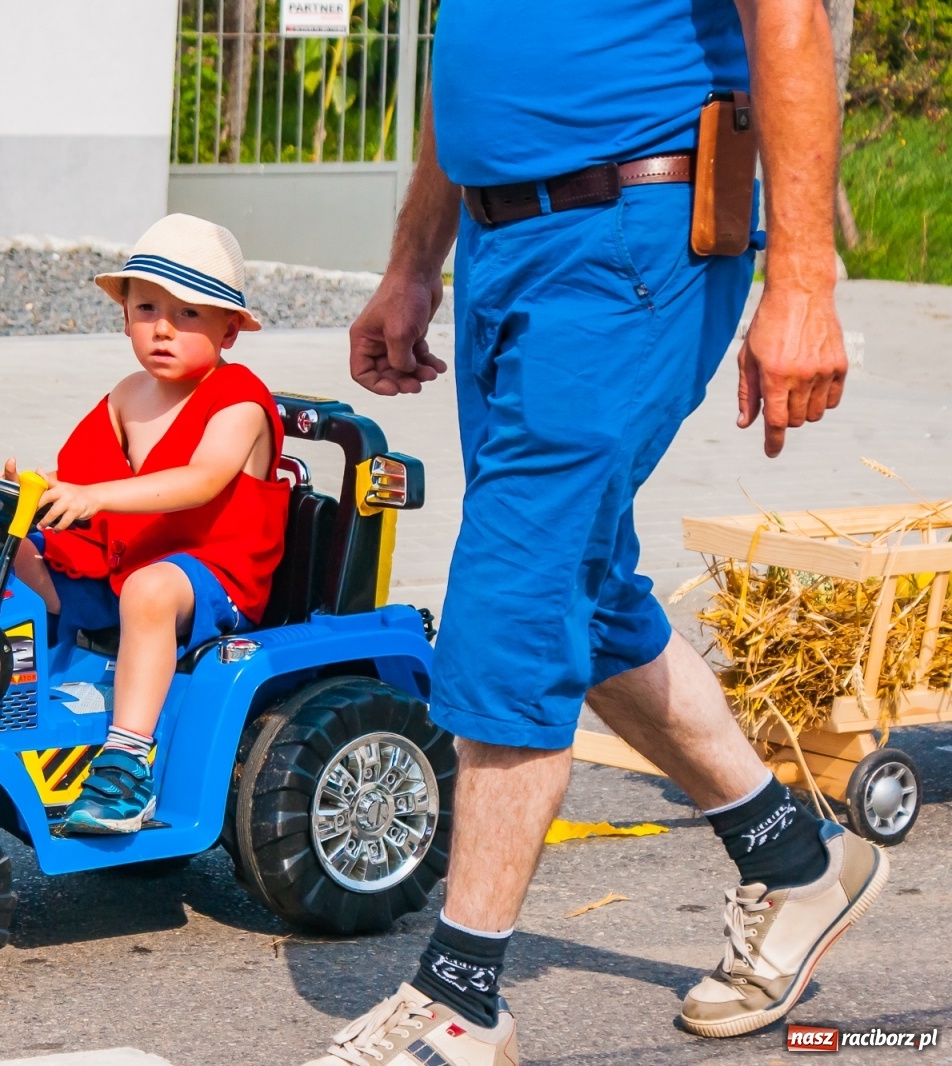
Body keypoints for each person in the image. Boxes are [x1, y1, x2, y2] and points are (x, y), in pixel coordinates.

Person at [305, 0, 882, 1061]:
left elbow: (788, 19)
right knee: (579, 580)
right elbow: (469, 61)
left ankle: (459, 998)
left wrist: (802, 279)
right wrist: (413, 262)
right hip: (499, 241)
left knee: (515, 590)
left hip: (628, 235)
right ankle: (796, 862)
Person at [3, 213, 290, 834]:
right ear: (124, 314)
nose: (163, 328)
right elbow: (79, 481)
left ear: (231, 329)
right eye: (148, 307)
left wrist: (96, 497)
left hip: (215, 575)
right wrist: (24, 492)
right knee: (11, 552)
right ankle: (13, 700)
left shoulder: (238, 400)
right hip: (124, 558)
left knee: (151, 589)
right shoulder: (127, 394)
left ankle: (128, 763)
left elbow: (201, 481)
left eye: (189, 314)